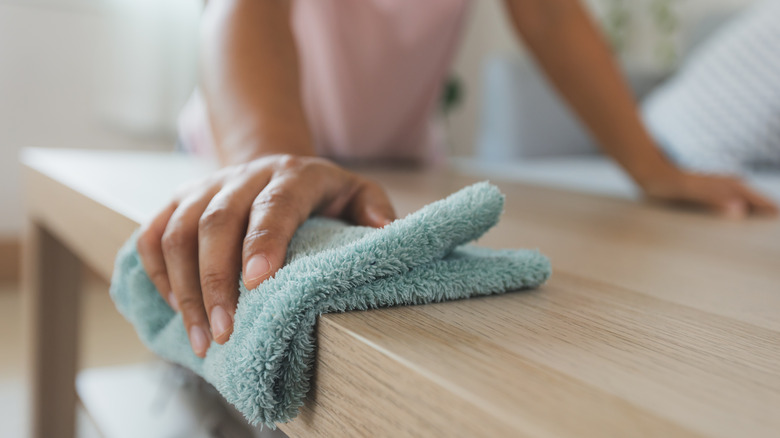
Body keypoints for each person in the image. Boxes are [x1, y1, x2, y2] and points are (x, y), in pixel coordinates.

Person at [137, 0, 778, 359]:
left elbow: (550, 16)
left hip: (395, 165)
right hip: (239, 150)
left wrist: (655, 168)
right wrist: (273, 160)